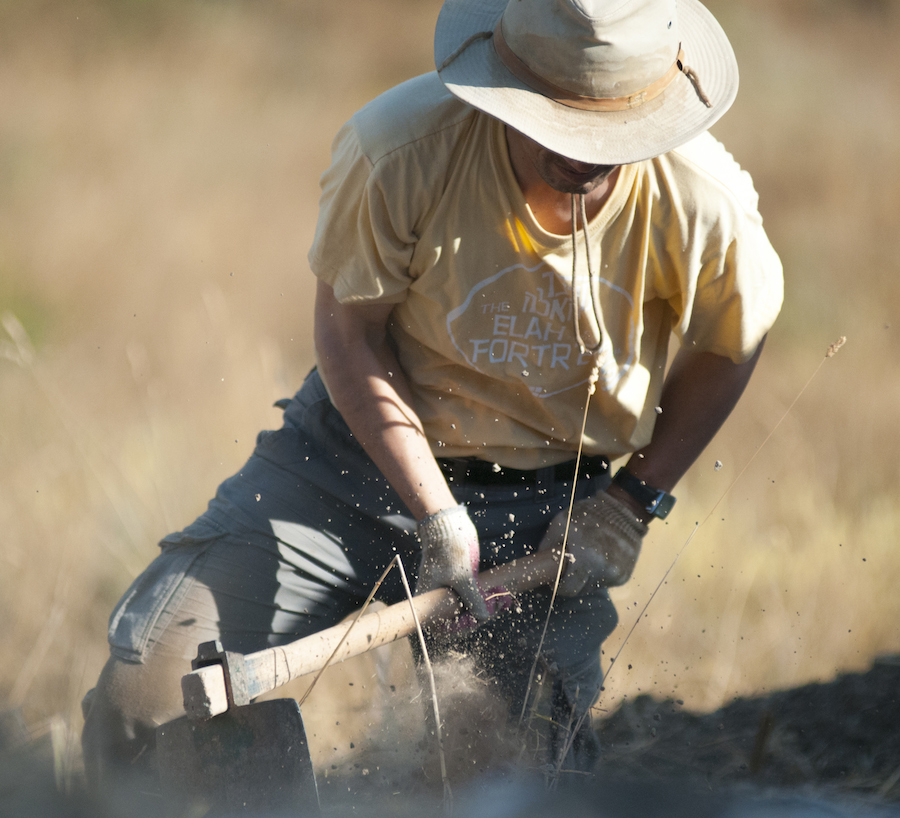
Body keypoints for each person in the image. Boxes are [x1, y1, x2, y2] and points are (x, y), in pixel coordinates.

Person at [81, 0, 783, 790]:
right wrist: (436, 512)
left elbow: (733, 346)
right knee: (147, 698)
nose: (582, 156)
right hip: (347, 461)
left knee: (507, 784)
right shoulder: (401, 148)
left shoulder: (704, 202)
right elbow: (350, 336)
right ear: (503, 88)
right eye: (554, 124)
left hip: (547, 505)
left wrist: (631, 502)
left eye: (607, 135)